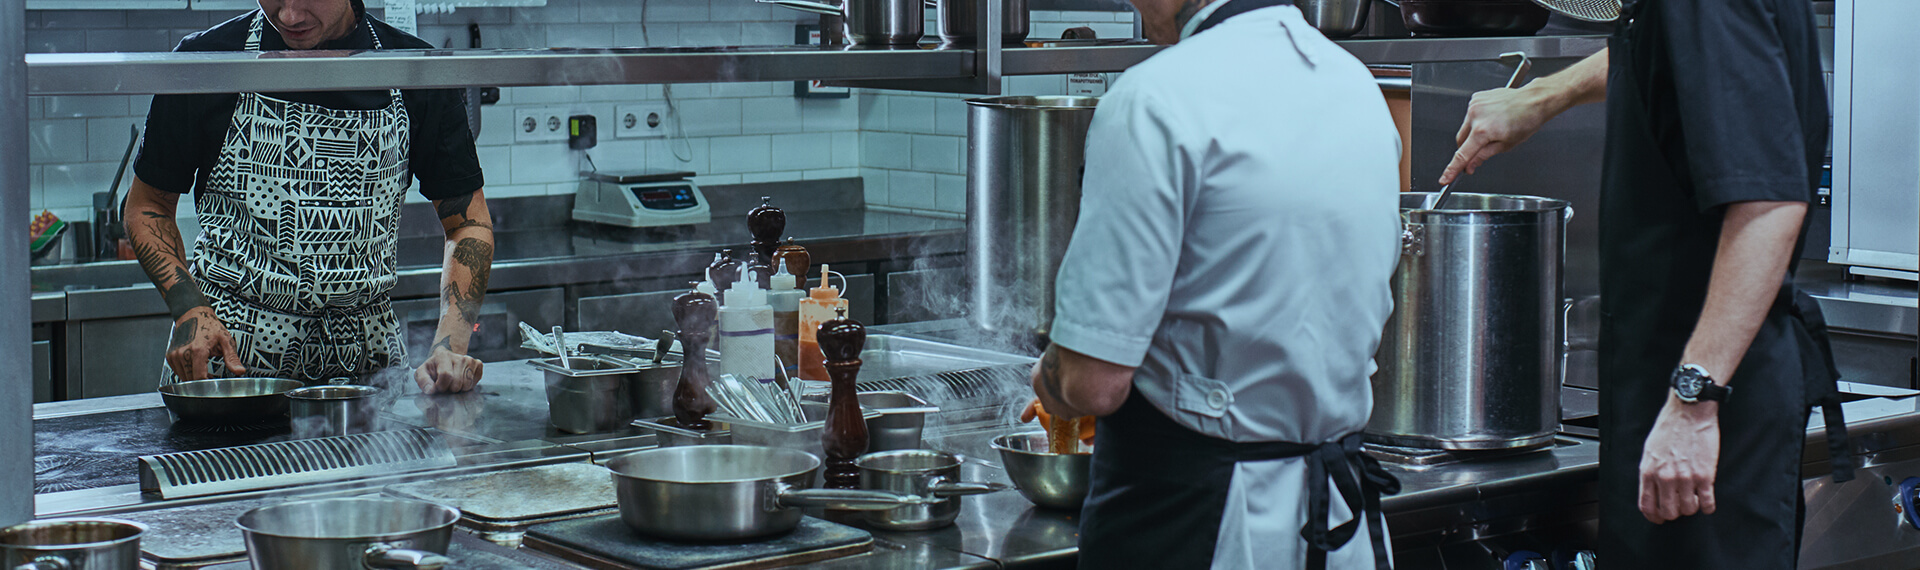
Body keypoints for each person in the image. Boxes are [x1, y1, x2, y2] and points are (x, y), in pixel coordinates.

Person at [1442, 0, 1852, 566]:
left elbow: (1768, 205)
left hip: (1710, 415)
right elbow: (1661, 55)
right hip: (1675, 398)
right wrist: (1541, 97)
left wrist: (1694, 399)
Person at [1027, 0, 1403, 567]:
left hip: (1196, 524)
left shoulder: (1153, 97)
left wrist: (1050, 381)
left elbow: (1093, 382)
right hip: (1338, 526)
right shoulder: (1354, 83)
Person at [125, 0, 493, 394]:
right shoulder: (208, 61)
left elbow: (468, 223)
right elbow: (148, 206)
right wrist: (188, 308)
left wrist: (449, 345)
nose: (289, 16)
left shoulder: (414, 70)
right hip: (229, 367)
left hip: (367, 375)